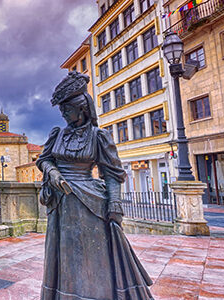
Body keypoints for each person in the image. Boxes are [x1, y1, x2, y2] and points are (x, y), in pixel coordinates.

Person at [37, 72, 152, 299]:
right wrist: (52, 173)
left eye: (67, 110)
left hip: (90, 203)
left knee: (89, 256)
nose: (64, 115)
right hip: (61, 204)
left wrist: (115, 204)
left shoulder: (98, 136)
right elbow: (44, 159)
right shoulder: (58, 134)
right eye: (62, 111)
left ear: (81, 109)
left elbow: (112, 173)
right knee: (65, 254)